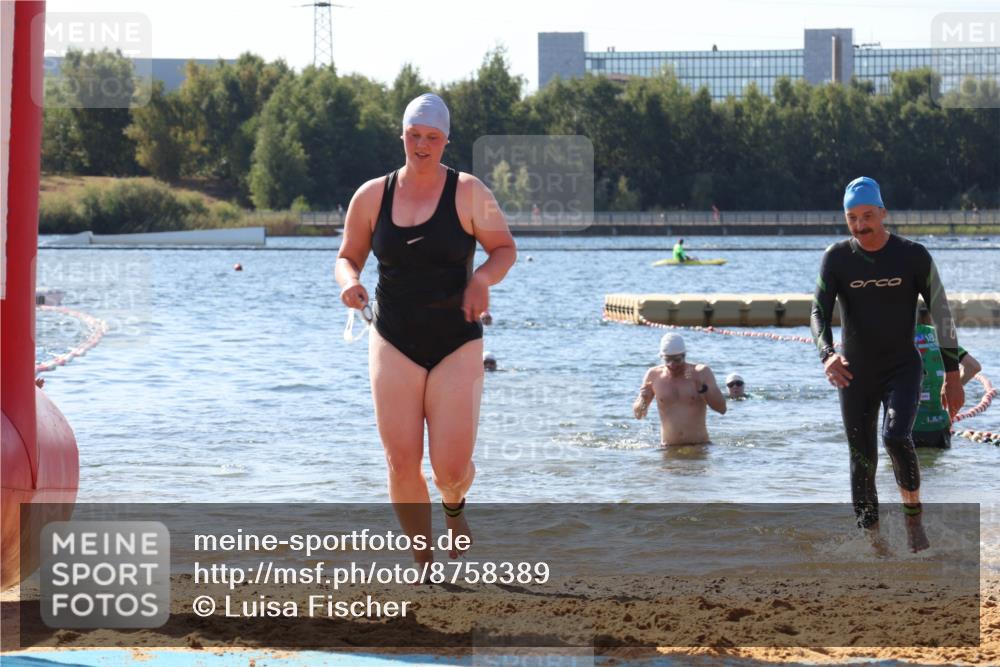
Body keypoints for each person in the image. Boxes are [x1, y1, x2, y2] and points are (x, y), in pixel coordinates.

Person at [335, 93, 517, 564]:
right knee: (401, 461)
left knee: (450, 470)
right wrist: (351, 282)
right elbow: (347, 256)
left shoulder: (469, 192)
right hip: (393, 337)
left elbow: (504, 250)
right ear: (402, 135)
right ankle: (423, 561)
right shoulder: (372, 195)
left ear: (445, 141)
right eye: (413, 135)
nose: (421, 145)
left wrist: (481, 279)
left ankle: (454, 508)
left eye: (431, 138)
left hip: (456, 339)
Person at [811, 176, 964, 553]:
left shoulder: (913, 255)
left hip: (902, 367)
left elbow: (942, 313)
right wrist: (827, 354)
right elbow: (817, 311)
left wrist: (953, 374)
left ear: (883, 212)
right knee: (861, 458)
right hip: (855, 372)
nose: (860, 225)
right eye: (852, 218)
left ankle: (913, 523)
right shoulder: (837, 258)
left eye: (867, 216)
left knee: (896, 437)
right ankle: (875, 544)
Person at [633, 333, 726, 445]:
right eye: (667, 360)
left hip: (699, 446)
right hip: (668, 449)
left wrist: (703, 389)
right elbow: (638, 415)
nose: (672, 365)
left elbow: (722, 409)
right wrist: (643, 399)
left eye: (677, 360)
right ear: (661, 357)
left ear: (684, 355)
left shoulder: (701, 372)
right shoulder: (653, 375)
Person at [913, 306, 981, 449]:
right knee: (939, 469)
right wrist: (953, 385)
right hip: (939, 426)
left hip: (905, 426)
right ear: (931, 319)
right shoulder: (941, 337)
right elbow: (974, 367)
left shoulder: (897, 338)